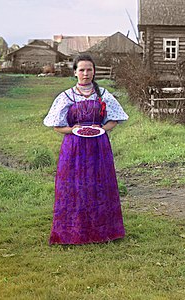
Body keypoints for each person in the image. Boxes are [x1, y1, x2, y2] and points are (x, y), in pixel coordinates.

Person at [43, 54, 129, 245]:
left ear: (94, 72)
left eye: (89, 69)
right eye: (81, 70)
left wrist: (101, 129)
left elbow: (115, 119)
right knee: (74, 187)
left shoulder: (103, 94)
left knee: (99, 185)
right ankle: (72, 233)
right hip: (74, 148)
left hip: (99, 146)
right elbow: (57, 126)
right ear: (75, 72)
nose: (86, 73)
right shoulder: (66, 96)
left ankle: (103, 232)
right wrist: (73, 129)